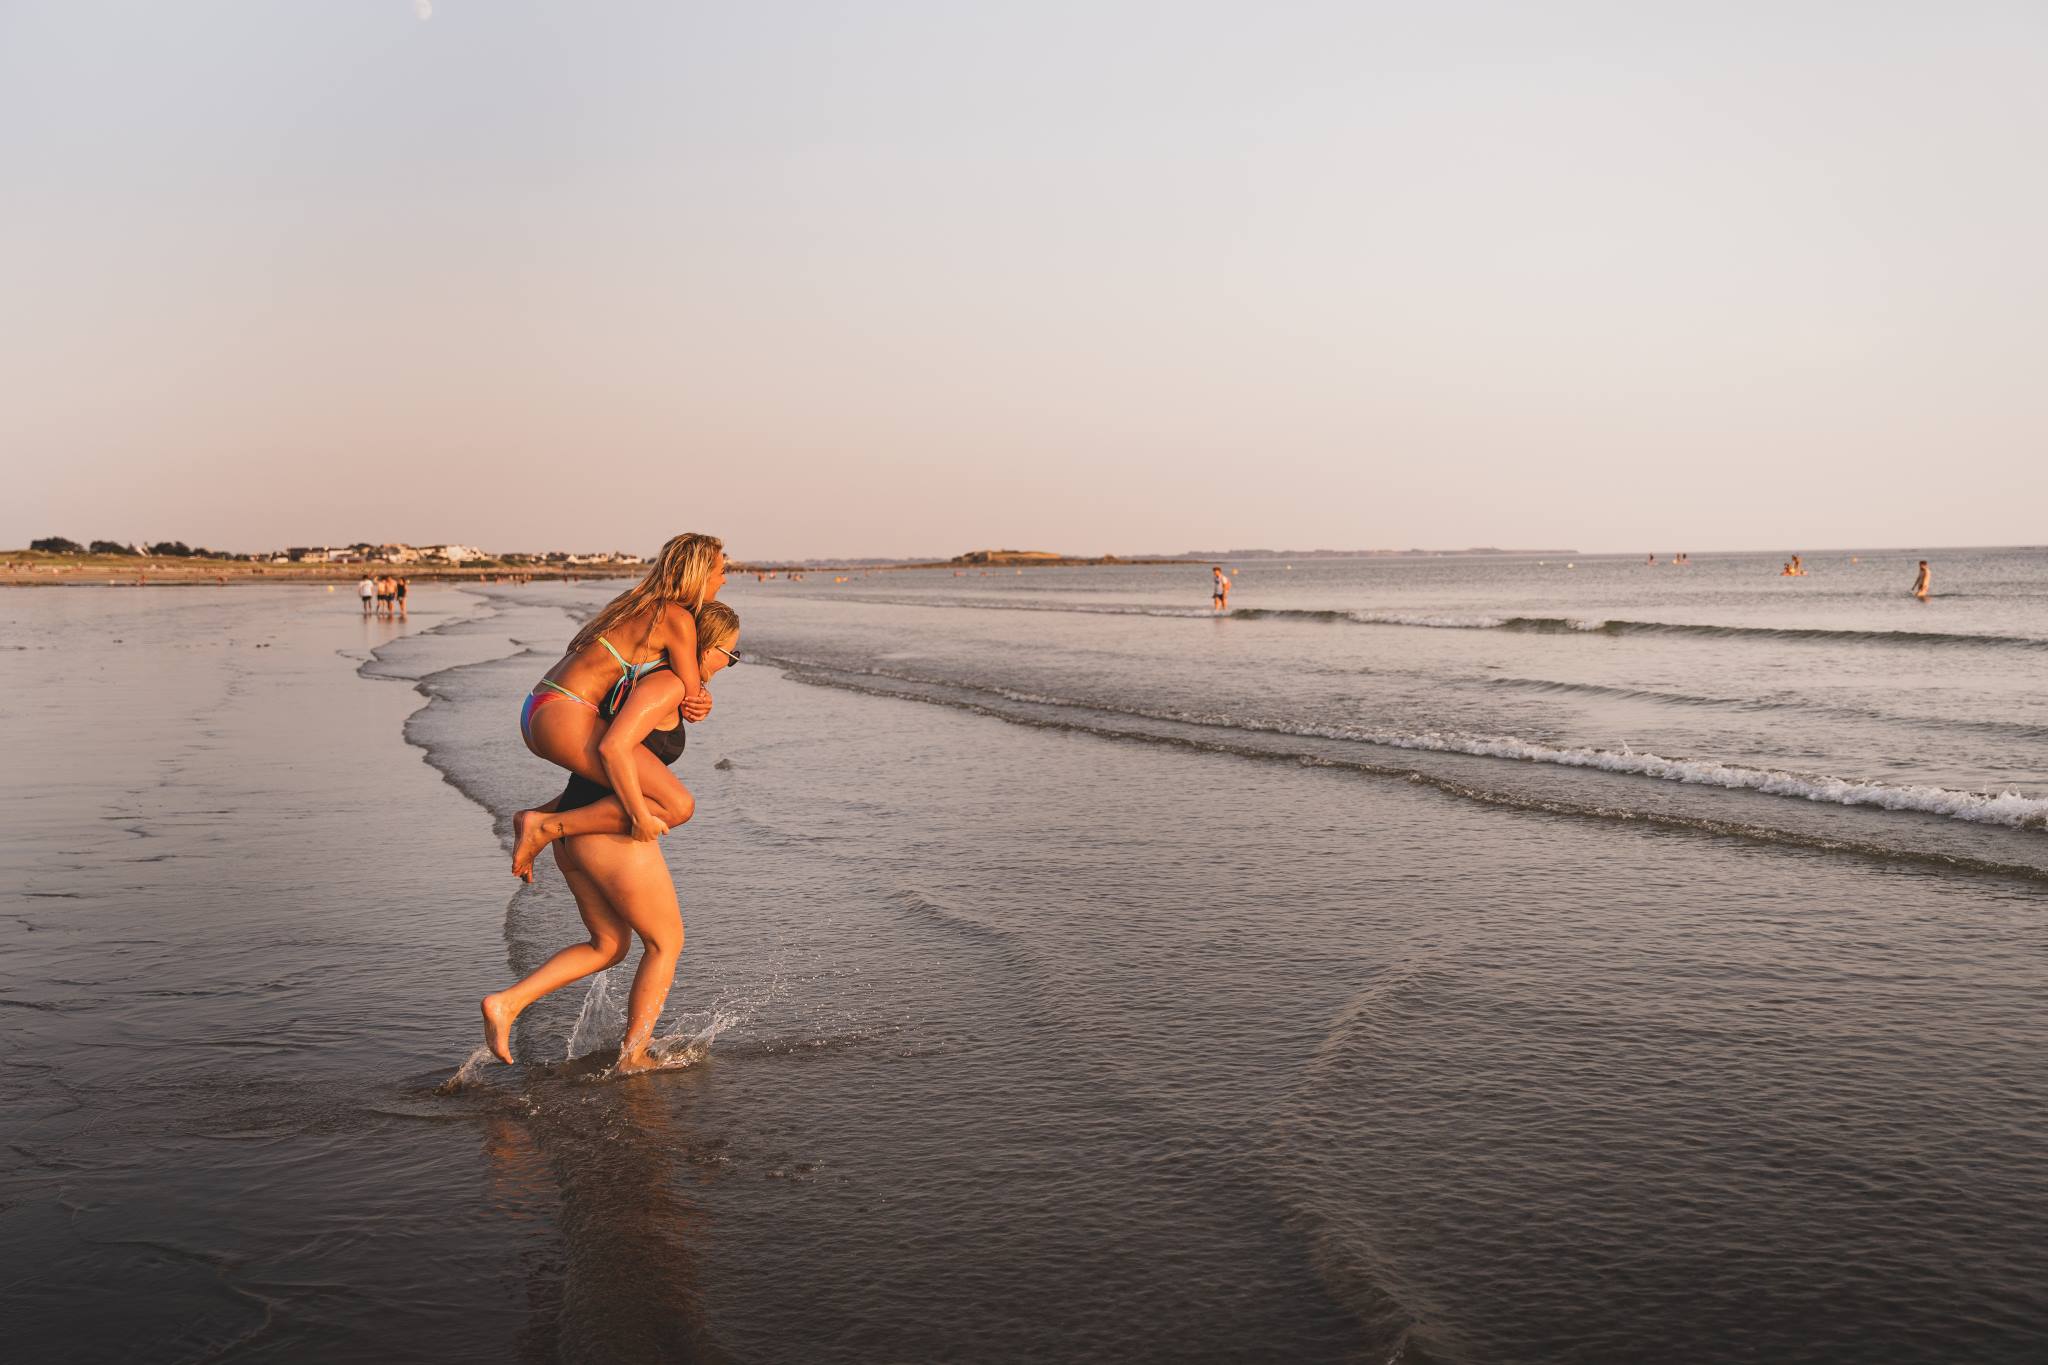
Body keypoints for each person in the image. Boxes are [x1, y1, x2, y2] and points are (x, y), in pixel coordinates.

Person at [482, 602, 742, 1073]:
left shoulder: (646, 681)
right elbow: (613, 749)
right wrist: (639, 814)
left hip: (576, 831)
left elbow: (600, 761)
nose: (731, 664)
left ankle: (507, 1003)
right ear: (708, 647)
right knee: (665, 942)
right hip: (602, 834)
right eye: (732, 654)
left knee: (608, 945)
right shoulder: (664, 684)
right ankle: (633, 1056)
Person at [511, 534, 724, 879]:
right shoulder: (675, 617)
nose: (724, 579)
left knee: (611, 788)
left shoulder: (634, 602)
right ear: (699, 575)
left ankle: (541, 818)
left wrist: (697, 696)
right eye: (720, 571)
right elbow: (689, 695)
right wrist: (703, 698)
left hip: (540, 706)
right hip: (566, 714)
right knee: (676, 805)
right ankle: (544, 825)